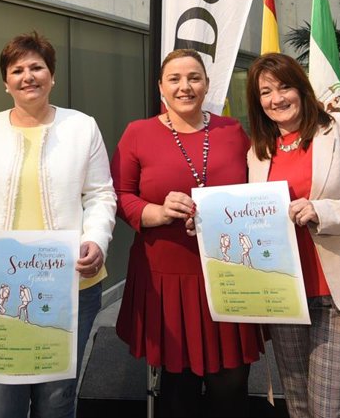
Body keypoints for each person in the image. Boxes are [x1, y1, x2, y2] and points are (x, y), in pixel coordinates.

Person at [0, 31, 116, 418]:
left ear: (52, 76)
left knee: (56, 400)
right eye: (17, 70)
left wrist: (96, 240)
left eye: (37, 67)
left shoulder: (81, 127)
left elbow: (100, 194)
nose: (28, 76)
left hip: (71, 282)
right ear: (5, 81)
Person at [112, 49, 263, 417]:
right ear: (160, 87)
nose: (185, 86)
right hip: (166, 277)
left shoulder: (232, 131)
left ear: (207, 85)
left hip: (229, 272)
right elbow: (119, 196)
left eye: (194, 78)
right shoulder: (138, 133)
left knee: (231, 384)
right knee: (177, 389)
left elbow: (257, 189)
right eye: (175, 79)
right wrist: (158, 212)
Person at [245, 53, 340, 418]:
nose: (276, 99)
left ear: (301, 87)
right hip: (286, 294)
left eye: (284, 87)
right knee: (298, 407)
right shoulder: (258, 152)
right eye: (265, 92)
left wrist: (321, 211)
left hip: (339, 294)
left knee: (328, 410)